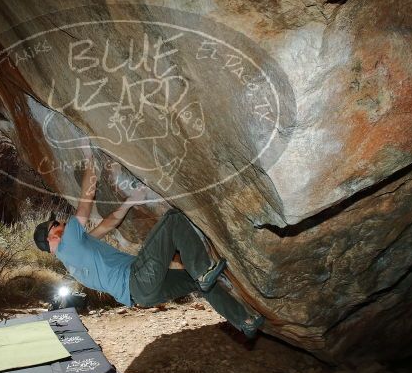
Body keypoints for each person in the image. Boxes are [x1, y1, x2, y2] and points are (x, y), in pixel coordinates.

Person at [32, 143, 264, 340]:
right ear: (52, 234)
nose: (62, 222)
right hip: (138, 280)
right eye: (57, 223)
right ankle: (204, 270)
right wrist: (89, 157)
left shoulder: (72, 257)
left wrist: (131, 201)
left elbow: (108, 224)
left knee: (195, 282)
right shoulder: (68, 240)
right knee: (173, 220)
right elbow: (86, 199)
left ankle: (244, 321)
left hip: (142, 297)